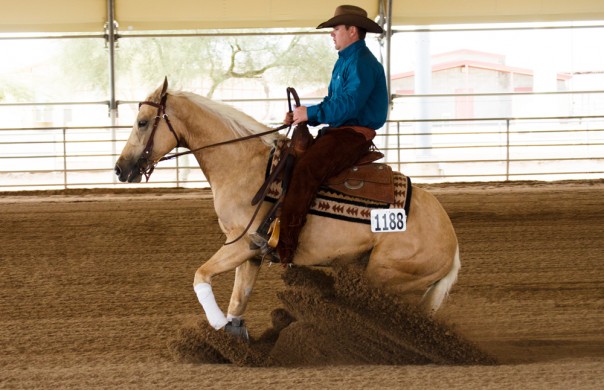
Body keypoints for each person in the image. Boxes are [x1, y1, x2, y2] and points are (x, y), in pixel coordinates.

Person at [268, 5, 389, 262]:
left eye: (336, 29)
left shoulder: (361, 63)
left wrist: (310, 114)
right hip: (340, 131)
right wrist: (303, 115)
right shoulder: (346, 61)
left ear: (352, 31)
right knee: (289, 159)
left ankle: (286, 248)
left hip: (352, 135)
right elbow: (336, 101)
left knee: (307, 170)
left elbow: (349, 105)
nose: (332, 34)